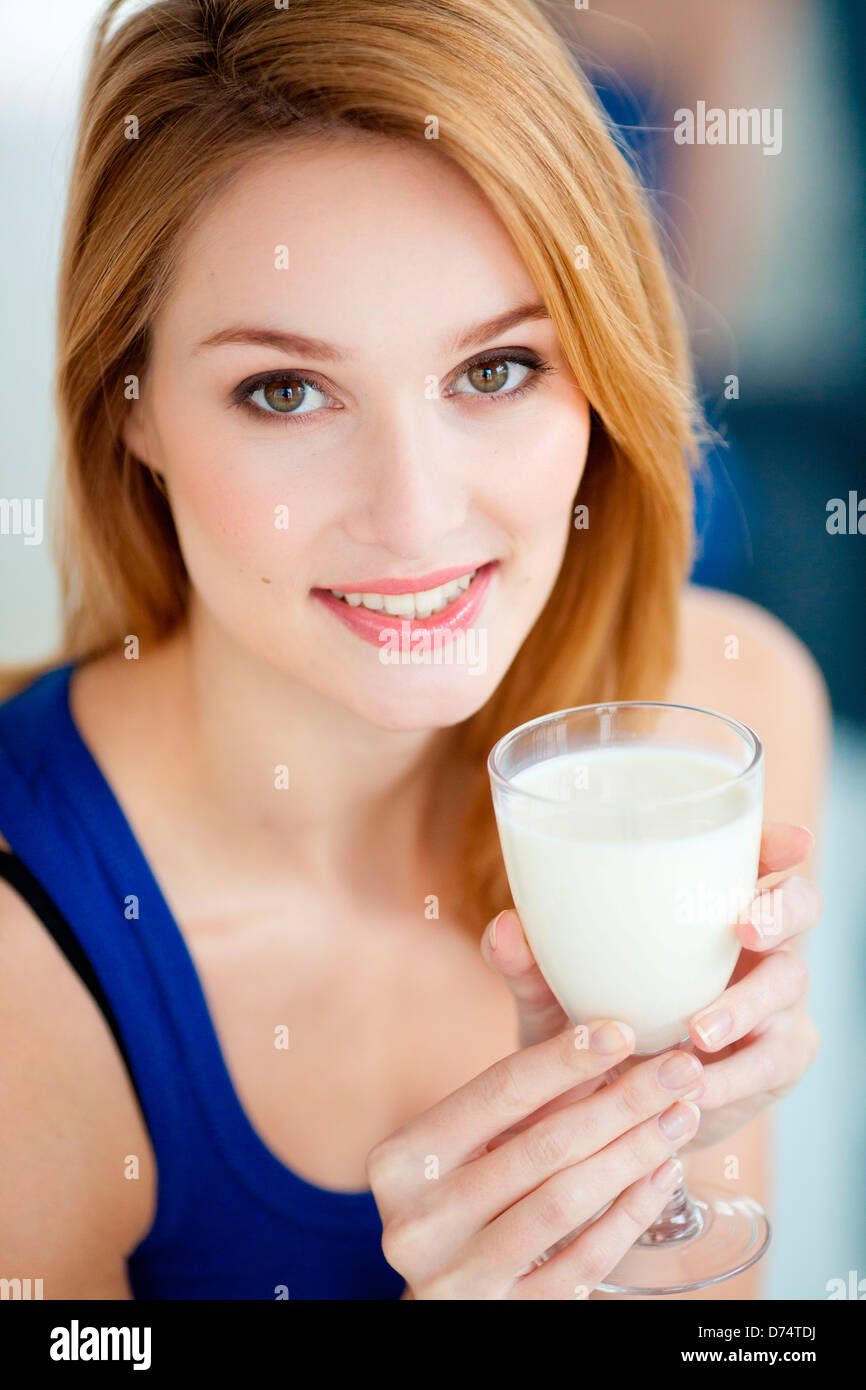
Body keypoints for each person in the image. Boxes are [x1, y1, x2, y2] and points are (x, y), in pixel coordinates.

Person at [0, 0, 827, 1301]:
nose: (415, 516)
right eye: (286, 392)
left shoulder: (717, 719)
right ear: (131, 409)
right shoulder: (26, 951)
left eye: (495, 370)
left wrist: (648, 1193)